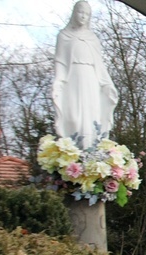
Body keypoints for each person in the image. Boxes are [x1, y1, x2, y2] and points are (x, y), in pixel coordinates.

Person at [53, 1, 118, 149]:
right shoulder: (64, 36)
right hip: (72, 78)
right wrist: (58, 80)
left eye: (87, 14)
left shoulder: (93, 38)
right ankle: (71, 151)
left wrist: (107, 84)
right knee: (73, 116)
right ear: (74, 13)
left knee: (91, 116)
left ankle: (90, 151)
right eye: (80, 12)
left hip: (91, 80)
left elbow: (100, 65)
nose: (83, 16)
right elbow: (60, 61)